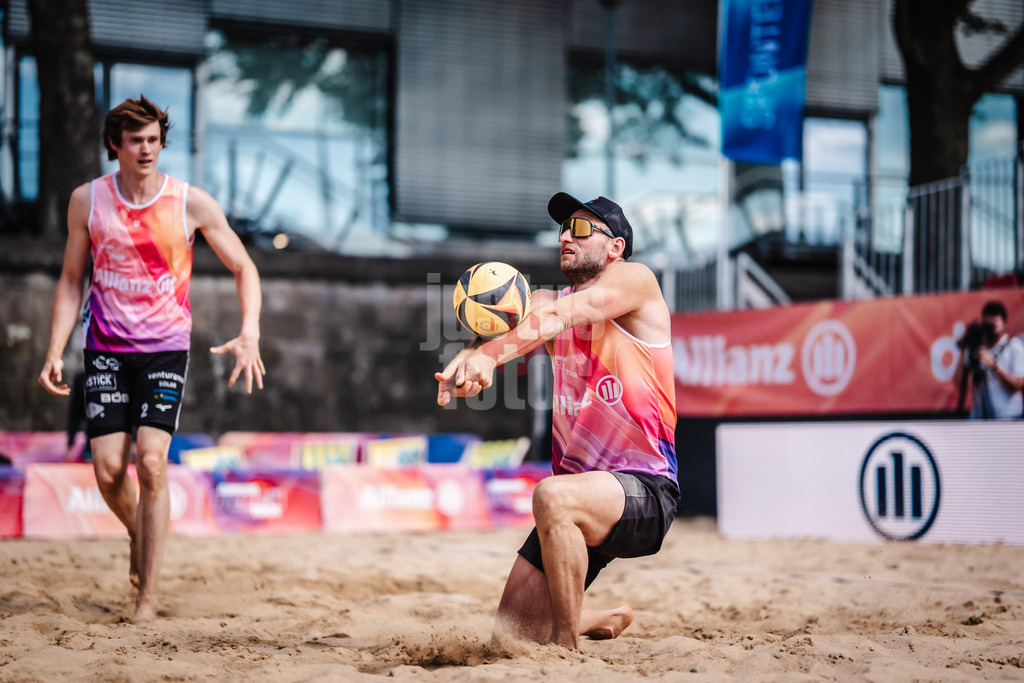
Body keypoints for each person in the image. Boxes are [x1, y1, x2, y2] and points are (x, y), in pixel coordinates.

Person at [39, 95, 266, 621]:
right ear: (115, 145)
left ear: (162, 143)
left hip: (165, 347)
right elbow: (73, 279)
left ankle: (147, 597)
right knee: (109, 471)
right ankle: (140, 530)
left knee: (152, 461)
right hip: (105, 349)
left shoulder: (190, 202)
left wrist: (250, 330)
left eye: (153, 139)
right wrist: (54, 348)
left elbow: (244, 266)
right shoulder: (86, 201)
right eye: (134, 140)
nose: (145, 149)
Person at [436, 193, 678, 650]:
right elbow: (501, 328)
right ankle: (593, 618)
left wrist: (489, 357)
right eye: (563, 229)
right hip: (581, 499)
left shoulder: (636, 281)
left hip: (644, 490)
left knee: (551, 496)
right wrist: (470, 358)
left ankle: (566, 650)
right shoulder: (550, 298)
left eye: (582, 229)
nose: (566, 235)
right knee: (509, 639)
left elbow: (556, 316)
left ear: (615, 247)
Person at [953, 299, 1024, 419]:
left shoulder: (1014, 347)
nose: (990, 329)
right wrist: (965, 346)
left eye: (994, 325)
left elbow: (1018, 386)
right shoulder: (977, 348)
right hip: (980, 419)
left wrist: (994, 366)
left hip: (1009, 418)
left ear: (1004, 323)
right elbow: (959, 382)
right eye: (988, 325)